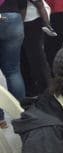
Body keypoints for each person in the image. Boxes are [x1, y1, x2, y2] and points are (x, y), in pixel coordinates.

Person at [0, 0, 26, 128]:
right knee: (13, 72)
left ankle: (0, 120)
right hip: (13, 18)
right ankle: (21, 115)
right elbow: (23, 4)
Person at [21, 0, 52, 98]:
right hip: (29, 19)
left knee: (30, 58)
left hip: (26, 20)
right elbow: (39, 4)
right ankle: (44, 91)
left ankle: (38, 91)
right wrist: (46, 21)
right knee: (34, 58)